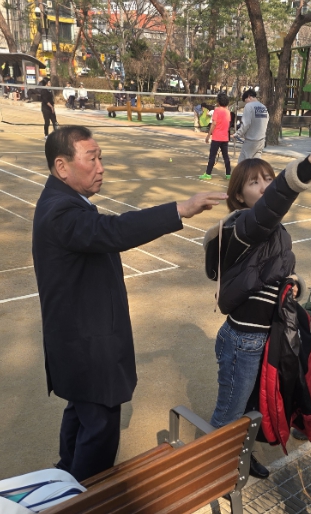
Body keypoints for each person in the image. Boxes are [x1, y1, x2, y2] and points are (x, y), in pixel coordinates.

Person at [32, 125, 228, 482]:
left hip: (78, 343)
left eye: (100, 158)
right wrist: (180, 209)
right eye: (92, 159)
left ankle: (65, 480)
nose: (101, 167)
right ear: (62, 167)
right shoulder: (61, 211)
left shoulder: (61, 200)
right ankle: (85, 497)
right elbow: (114, 231)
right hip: (87, 347)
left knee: (81, 412)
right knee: (99, 430)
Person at [203, 127, 311, 478]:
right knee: (229, 413)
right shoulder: (244, 226)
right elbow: (274, 203)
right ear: (238, 196)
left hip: (266, 336)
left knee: (253, 406)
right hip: (244, 339)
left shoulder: (271, 231)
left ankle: (240, 457)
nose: (264, 187)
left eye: (268, 179)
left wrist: (293, 282)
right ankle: (213, 471)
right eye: (254, 182)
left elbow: (272, 269)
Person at [199, 93, 231, 181]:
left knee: (212, 156)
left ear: (218, 101)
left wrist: (208, 135)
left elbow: (214, 124)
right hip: (225, 138)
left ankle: (208, 174)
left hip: (217, 137)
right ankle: (228, 174)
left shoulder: (217, 110)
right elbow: (228, 125)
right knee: (226, 156)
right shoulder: (228, 112)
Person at [232, 89, 269, 163]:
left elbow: (246, 123)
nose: (246, 103)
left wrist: (237, 134)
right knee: (256, 164)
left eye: (245, 101)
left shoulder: (249, 106)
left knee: (242, 163)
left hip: (251, 141)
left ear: (249, 97)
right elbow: (266, 121)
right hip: (261, 141)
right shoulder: (263, 107)